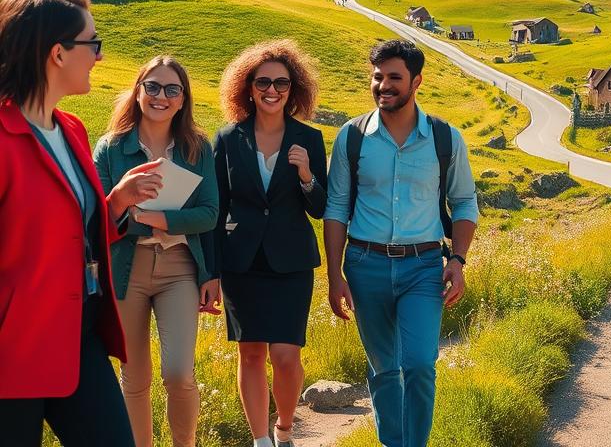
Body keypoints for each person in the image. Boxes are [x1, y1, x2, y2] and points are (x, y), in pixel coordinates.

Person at [0, 0, 150, 446]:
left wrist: (116, 205)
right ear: (58, 53)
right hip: (14, 346)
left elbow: (67, 234)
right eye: (94, 43)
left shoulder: (72, 129)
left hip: (78, 333)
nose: (100, 57)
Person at [324, 39, 478, 447]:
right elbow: (337, 207)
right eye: (378, 76)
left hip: (424, 267)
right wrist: (334, 273)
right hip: (364, 265)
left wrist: (458, 260)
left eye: (394, 77)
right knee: (384, 370)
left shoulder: (445, 138)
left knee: (420, 365)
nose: (383, 85)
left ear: (417, 81)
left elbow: (464, 202)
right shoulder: (351, 137)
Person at [93, 56, 219, 447]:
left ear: (182, 100)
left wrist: (155, 218)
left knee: (179, 372)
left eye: (171, 89)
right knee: (134, 378)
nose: (160, 96)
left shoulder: (197, 148)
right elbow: (99, 215)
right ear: (138, 91)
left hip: (178, 268)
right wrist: (123, 207)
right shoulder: (111, 147)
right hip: (126, 268)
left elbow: (210, 213)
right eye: (152, 86)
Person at [212, 40, 327, 447]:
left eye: (281, 82)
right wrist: (210, 273)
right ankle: (261, 440)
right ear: (248, 87)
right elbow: (216, 207)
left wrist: (307, 175)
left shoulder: (309, 139)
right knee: (251, 354)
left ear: (293, 90)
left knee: (286, 356)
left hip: (291, 263)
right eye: (263, 81)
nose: (272, 89)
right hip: (240, 263)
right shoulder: (226, 139)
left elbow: (320, 207)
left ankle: (285, 428)